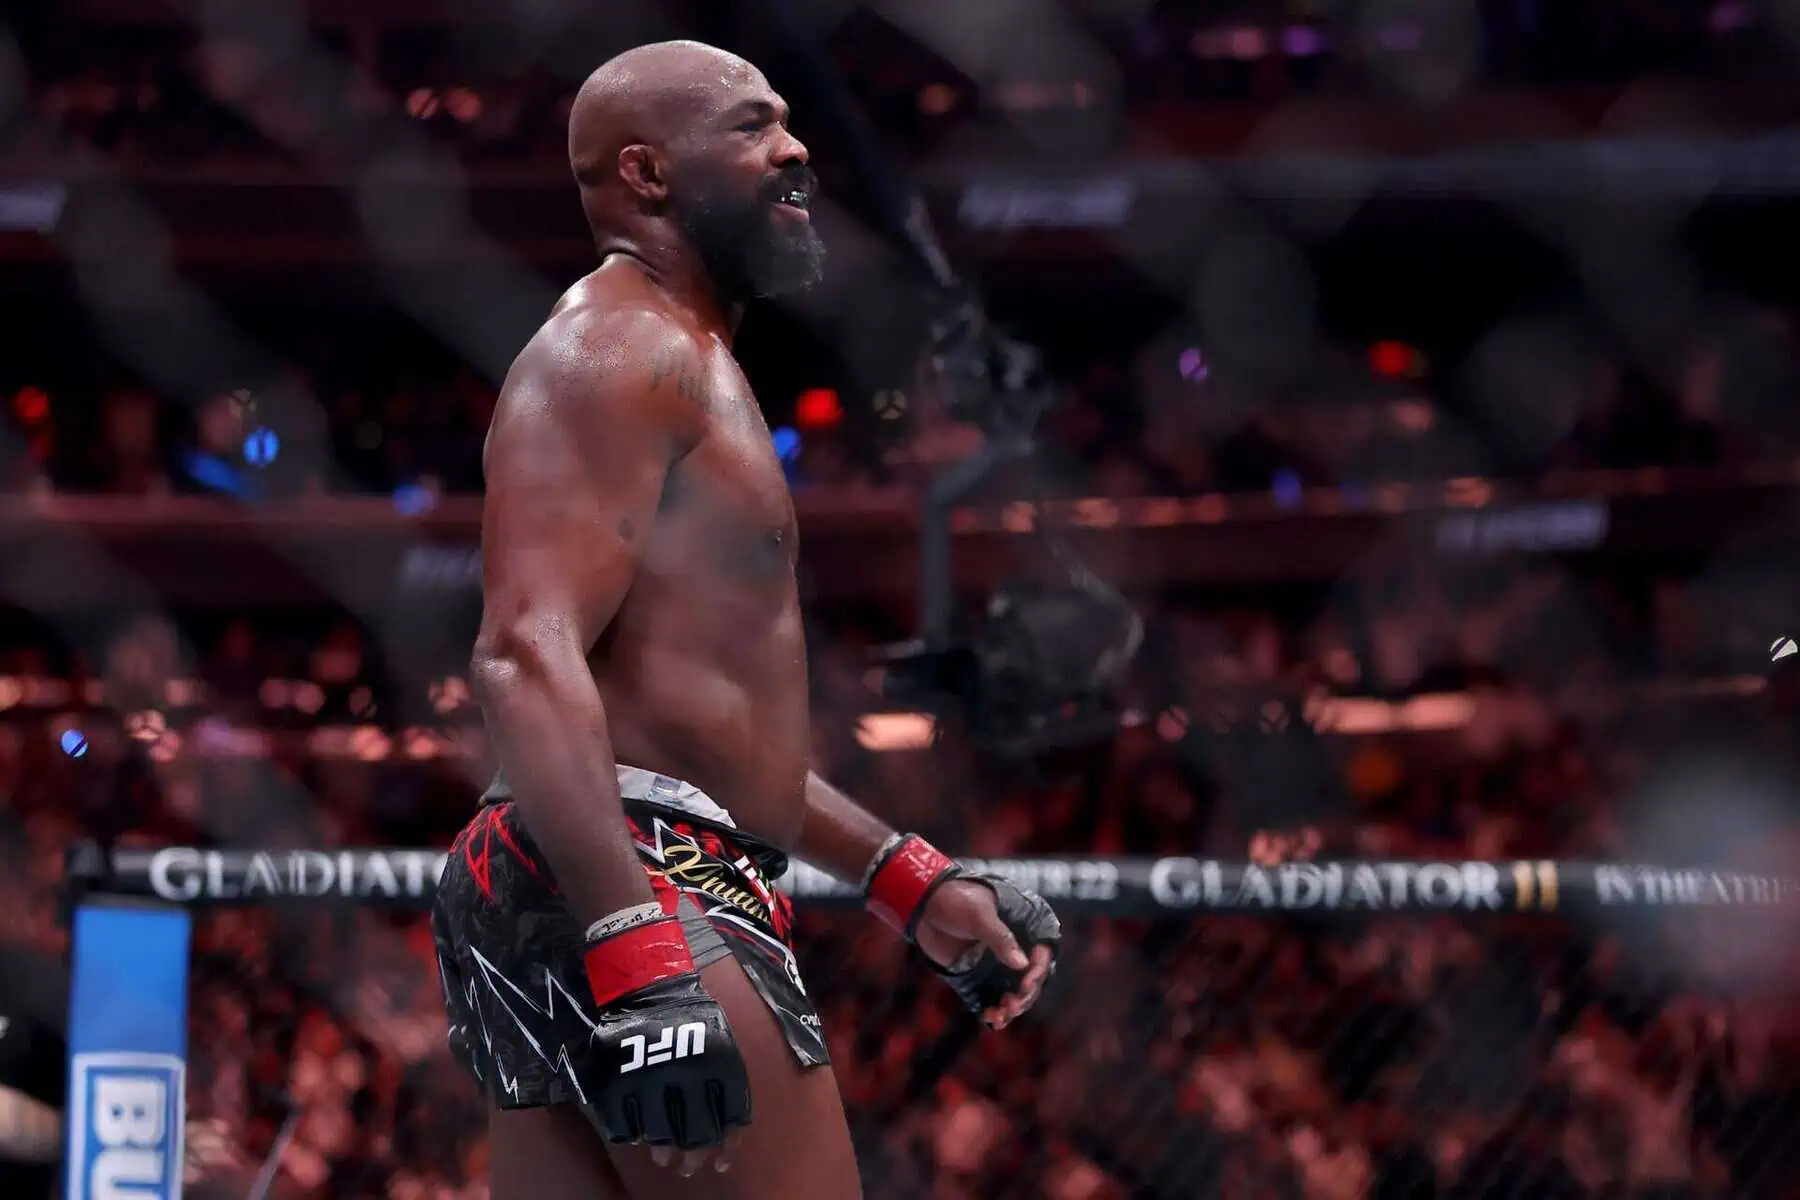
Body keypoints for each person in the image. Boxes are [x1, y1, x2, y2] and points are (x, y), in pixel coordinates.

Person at [430, 40, 1062, 1200]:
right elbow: (522, 651)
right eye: (752, 125)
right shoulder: (621, 349)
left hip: (586, 856)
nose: (796, 149)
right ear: (647, 173)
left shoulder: (674, 359)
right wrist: (633, 936)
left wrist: (901, 875)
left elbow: (694, 734)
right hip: (637, 870)